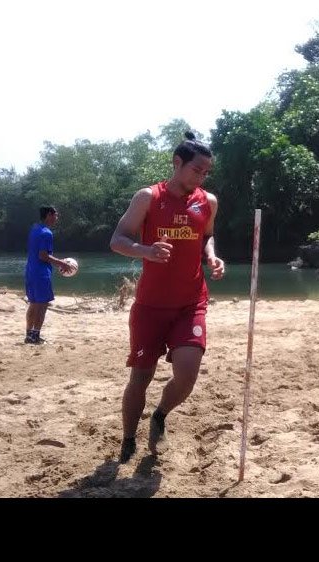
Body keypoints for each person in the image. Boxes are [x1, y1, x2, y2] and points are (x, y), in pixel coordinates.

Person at [109, 132, 226, 463]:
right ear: (178, 163)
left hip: (191, 303)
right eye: (196, 170)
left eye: (206, 172)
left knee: (187, 376)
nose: (201, 177)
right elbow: (117, 240)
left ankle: (160, 415)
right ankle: (129, 438)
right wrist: (145, 250)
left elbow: (207, 237)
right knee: (141, 377)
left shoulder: (208, 202)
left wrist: (212, 257)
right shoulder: (148, 197)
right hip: (150, 307)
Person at [24, 206, 74, 344]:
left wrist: (58, 262)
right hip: (41, 274)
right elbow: (43, 256)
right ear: (49, 215)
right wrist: (62, 264)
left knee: (33, 304)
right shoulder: (47, 233)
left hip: (30, 271)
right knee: (42, 305)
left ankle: (29, 334)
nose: (57, 218)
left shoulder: (35, 229)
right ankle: (35, 336)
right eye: (55, 215)